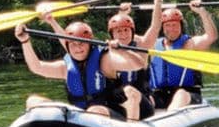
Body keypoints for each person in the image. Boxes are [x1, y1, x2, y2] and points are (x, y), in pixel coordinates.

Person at [14, 21, 144, 119]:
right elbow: (37, 68)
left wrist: (123, 51)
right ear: (68, 47)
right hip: (80, 116)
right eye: (73, 44)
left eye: (81, 43)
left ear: (89, 44)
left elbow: (138, 64)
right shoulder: (65, 67)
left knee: (94, 110)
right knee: (33, 101)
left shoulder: (104, 61)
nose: (78, 48)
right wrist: (25, 41)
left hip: (109, 113)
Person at [103, 0, 164, 120]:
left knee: (130, 91)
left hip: (141, 101)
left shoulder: (141, 45)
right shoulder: (109, 48)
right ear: (112, 34)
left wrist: (158, 0)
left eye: (126, 30)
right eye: (119, 31)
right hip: (118, 100)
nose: (123, 34)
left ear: (132, 31)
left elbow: (155, 26)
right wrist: (122, 13)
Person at [150, 0, 218, 111]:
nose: (171, 29)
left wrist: (202, 12)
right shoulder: (153, 45)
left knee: (180, 94)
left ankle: (170, 119)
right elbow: (126, 40)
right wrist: (123, 15)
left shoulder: (191, 44)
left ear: (181, 26)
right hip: (159, 96)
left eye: (175, 25)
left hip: (187, 94)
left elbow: (212, 36)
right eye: (168, 25)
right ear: (162, 27)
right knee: (142, 96)